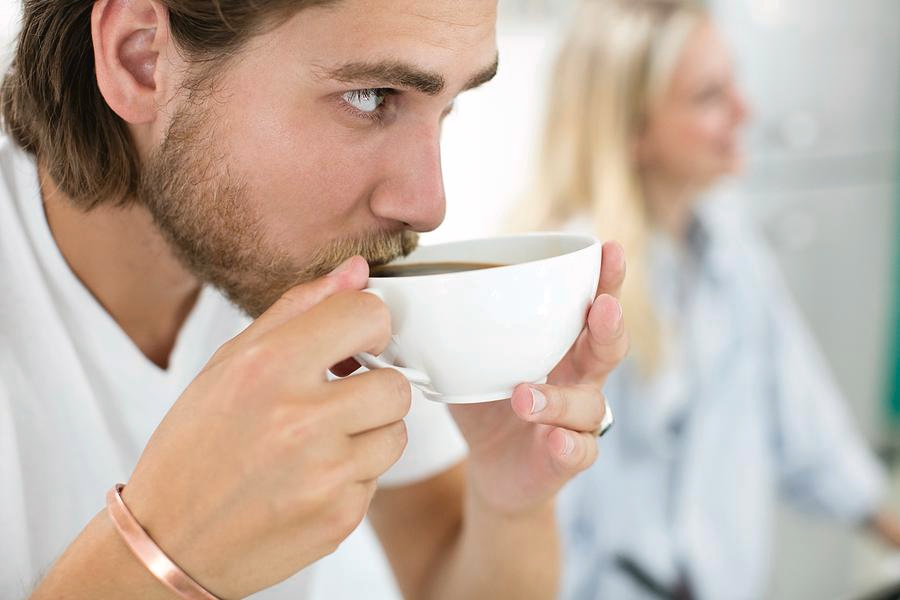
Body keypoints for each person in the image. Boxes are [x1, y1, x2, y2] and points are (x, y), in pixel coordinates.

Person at [0, 1, 629, 599]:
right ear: (141, 57)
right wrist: (165, 552)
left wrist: (507, 506)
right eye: (370, 97)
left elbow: (444, 573)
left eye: (447, 106)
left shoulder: (320, 269)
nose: (427, 205)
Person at [515, 0, 900, 598]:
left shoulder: (727, 242)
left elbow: (806, 419)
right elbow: (539, 513)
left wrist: (886, 520)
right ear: (634, 129)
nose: (745, 111)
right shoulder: (568, 289)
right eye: (709, 96)